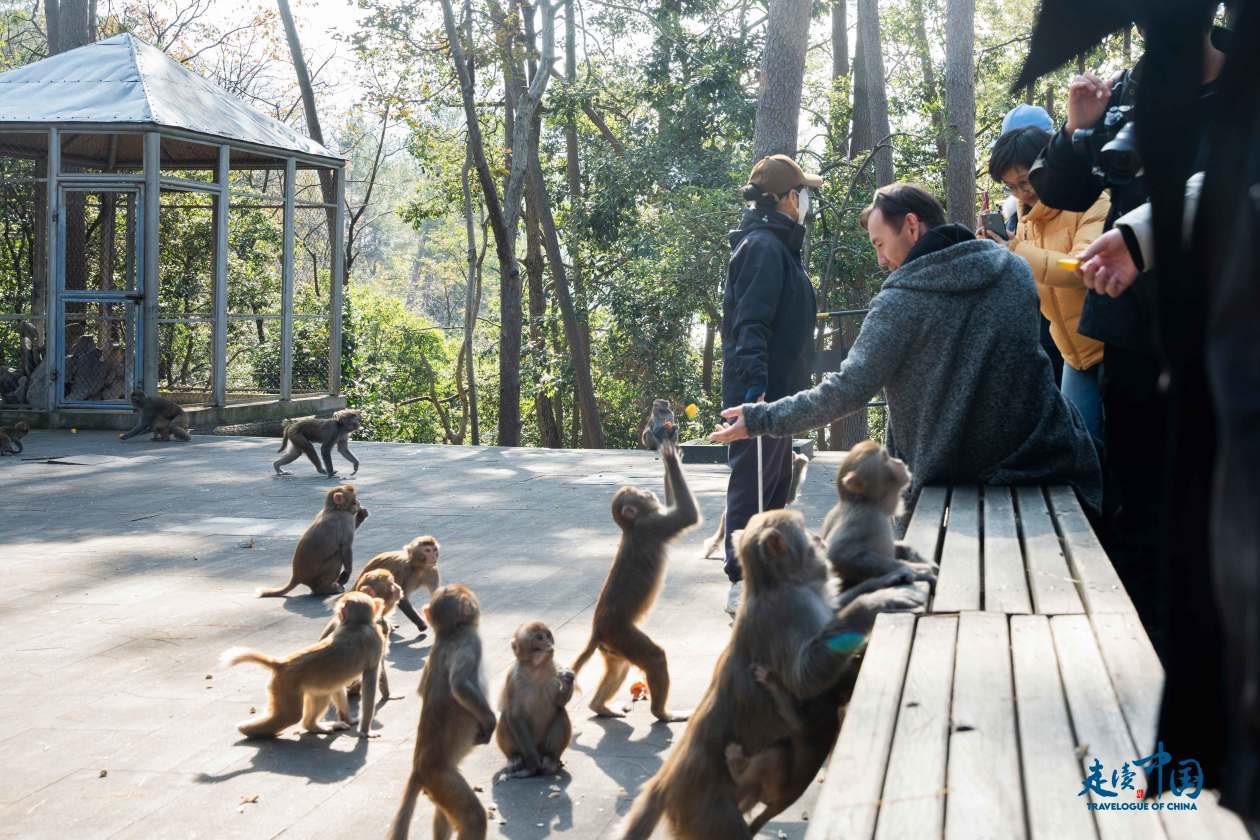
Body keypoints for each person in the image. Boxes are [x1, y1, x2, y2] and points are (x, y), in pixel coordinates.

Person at [711, 182, 1101, 515]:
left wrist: (760, 418)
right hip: (1049, 459)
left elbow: (846, 391)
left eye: (880, 244)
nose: (881, 260)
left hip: (951, 476)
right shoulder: (1013, 271)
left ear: (912, 226)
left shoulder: (899, 302)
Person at [1028, 10, 1227, 653]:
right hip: (1135, 327)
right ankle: (1141, 646)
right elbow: (1062, 190)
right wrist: (1076, 128)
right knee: (1136, 486)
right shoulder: (1128, 93)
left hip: (1224, 322)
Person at [718, 154, 820, 616]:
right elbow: (751, 324)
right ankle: (742, 579)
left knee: (775, 483)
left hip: (780, 391)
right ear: (785, 199)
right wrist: (754, 390)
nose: (804, 203)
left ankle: (770, 572)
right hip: (759, 391)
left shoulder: (779, 245)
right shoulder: (762, 246)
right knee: (753, 482)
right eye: (800, 194)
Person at [983, 125, 1110, 442]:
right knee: (1078, 450)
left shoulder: (1093, 201)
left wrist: (1015, 250)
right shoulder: (1027, 220)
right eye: (1011, 187)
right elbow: (1031, 280)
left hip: (1112, 348)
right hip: (1073, 356)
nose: (1021, 194)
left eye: (1025, 181)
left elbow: (1077, 267)